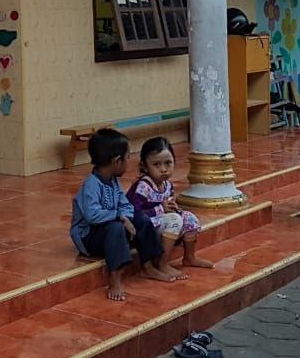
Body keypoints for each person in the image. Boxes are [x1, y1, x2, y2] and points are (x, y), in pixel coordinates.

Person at [69, 127, 164, 301]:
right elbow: (92, 215)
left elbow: (125, 204)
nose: (129, 161)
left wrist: (127, 217)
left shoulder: (113, 181)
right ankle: (115, 278)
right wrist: (120, 217)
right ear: (116, 161)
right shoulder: (91, 185)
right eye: (127, 158)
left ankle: (148, 266)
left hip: (111, 229)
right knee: (115, 227)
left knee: (141, 218)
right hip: (89, 238)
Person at [127, 136, 213, 281]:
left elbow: (170, 206)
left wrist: (174, 209)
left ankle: (189, 257)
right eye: (156, 164)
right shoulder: (143, 186)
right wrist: (161, 209)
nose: (164, 169)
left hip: (161, 222)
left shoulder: (168, 185)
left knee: (189, 218)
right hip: (145, 228)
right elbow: (134, 213)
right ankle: (162, 263)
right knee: (174, 221)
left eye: (168, 163)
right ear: (144, 166)